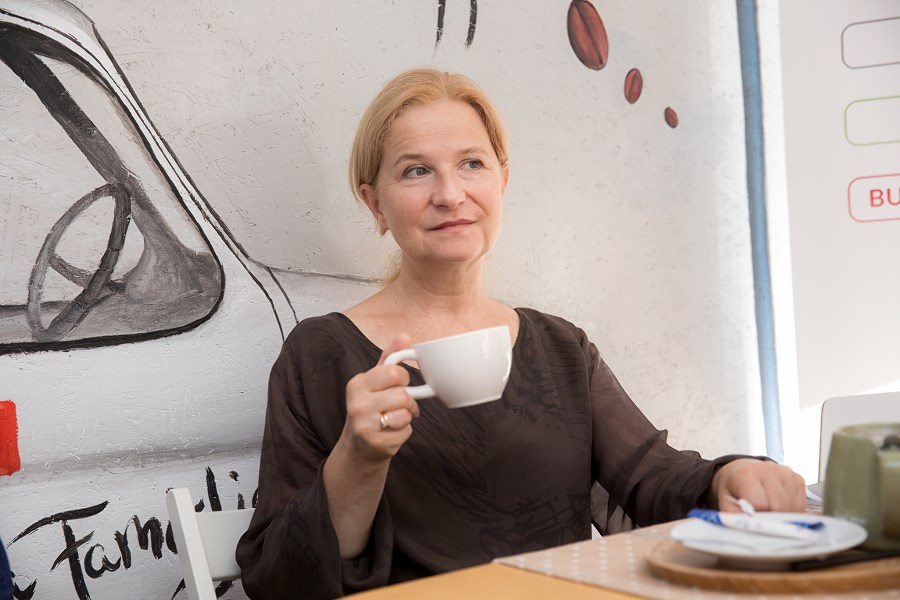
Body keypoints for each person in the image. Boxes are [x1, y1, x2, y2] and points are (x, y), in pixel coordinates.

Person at [235, 67, 806, 599]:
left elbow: (651, 475)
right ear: (375, 203)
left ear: (502, 182)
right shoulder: (319, 355)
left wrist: (730, 475)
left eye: (471, 164)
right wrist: (358, 458)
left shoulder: (561, 349)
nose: (450, 194)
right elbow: (280, 578)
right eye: (416, 170)